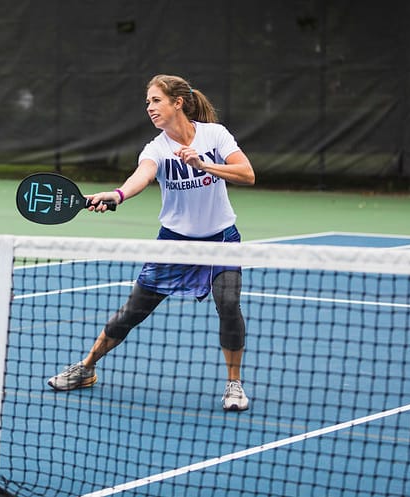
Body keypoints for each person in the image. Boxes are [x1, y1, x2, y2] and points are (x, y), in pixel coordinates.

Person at [46, 74, 256, 412]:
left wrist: (203, 164)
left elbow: (247, 173)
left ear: (178, 103)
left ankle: (234, 383)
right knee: (130, 313)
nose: (149, 107)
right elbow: (140, 177)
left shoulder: (215, 135)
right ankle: (86, 368)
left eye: (156, 100)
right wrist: (117, 195)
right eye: (147, 103)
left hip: (221, 240)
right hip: (173, 245)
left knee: (229, 304)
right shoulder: (156, 148)